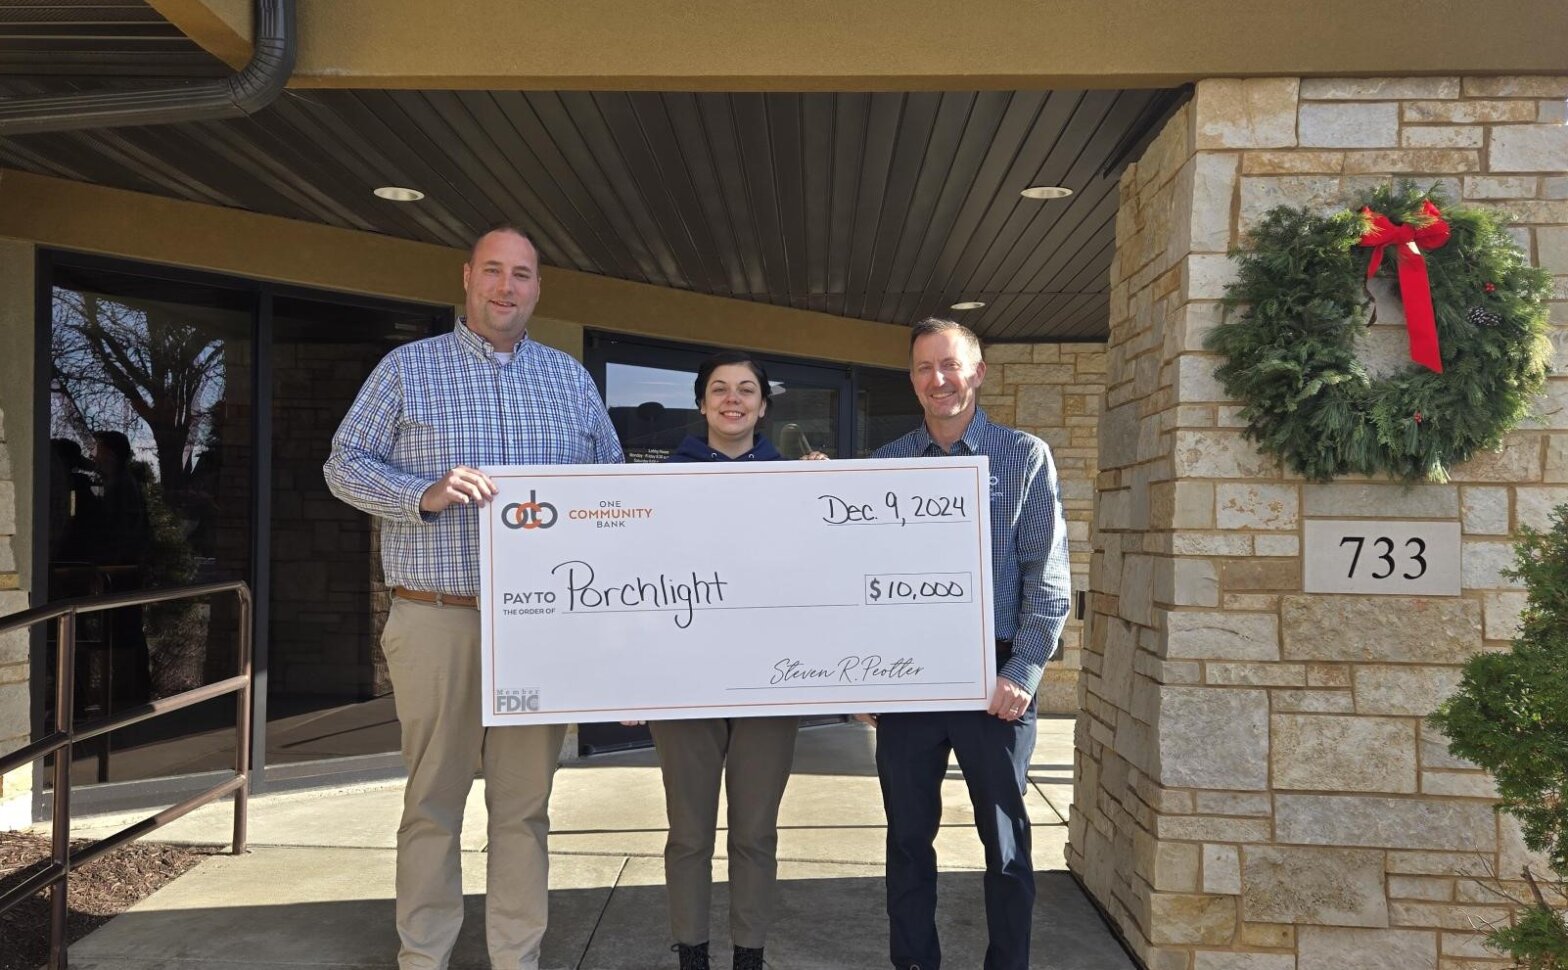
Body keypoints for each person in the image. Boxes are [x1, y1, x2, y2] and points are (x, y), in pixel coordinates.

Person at [324, 225, 623, 970]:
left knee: (524, 811)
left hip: (542, 633)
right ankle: (424, 957)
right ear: (466, 278)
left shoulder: (570, 381)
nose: (506, 287)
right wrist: (417, 493)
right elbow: (342, 464)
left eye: (522, 274)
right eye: (493, 271)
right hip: (438, 616)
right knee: (432, 803)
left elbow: (614, 489)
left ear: (538, 289)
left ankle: (515, 958)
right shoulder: (406, 370)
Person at [866, 318, 1071, 970]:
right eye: (925, 368)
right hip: (909, 681)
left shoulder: (1023, 456)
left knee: (1006, 845)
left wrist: (1026, 669)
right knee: (906, 843)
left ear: (977, 372)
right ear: (913, 380)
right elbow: (857, 582)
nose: (939, 380)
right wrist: (862, 678)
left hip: (997, 682)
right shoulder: (883, 467)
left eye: (950, 365)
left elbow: (1049, 576)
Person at [651, 351, 822, 970]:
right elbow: (634, 582)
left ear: (763, 406)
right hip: (685, 684)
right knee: (689, 833)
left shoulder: (795, 482)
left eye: (746, 390)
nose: (732, 399)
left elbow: (824, 572)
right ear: (701, 404)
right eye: (719, 389)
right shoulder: (659, 484)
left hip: (768, 685)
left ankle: (749, 953)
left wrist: (827, 494)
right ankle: (691, 951)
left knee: (755, 832)